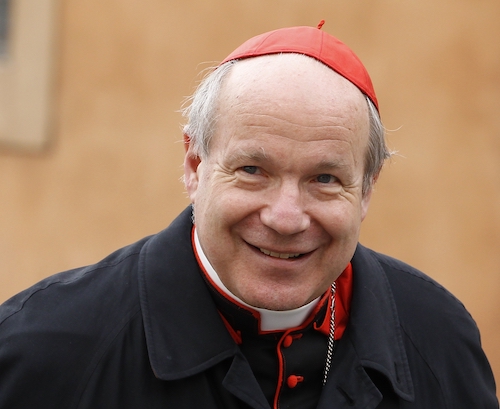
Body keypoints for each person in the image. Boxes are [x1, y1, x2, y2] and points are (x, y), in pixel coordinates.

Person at [0, 23, 497, 409]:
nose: (286, 218)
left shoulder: (439, 339)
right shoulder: (42, 350)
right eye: (253, 169)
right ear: (195, 167)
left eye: (324, 179)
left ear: (366, 191)